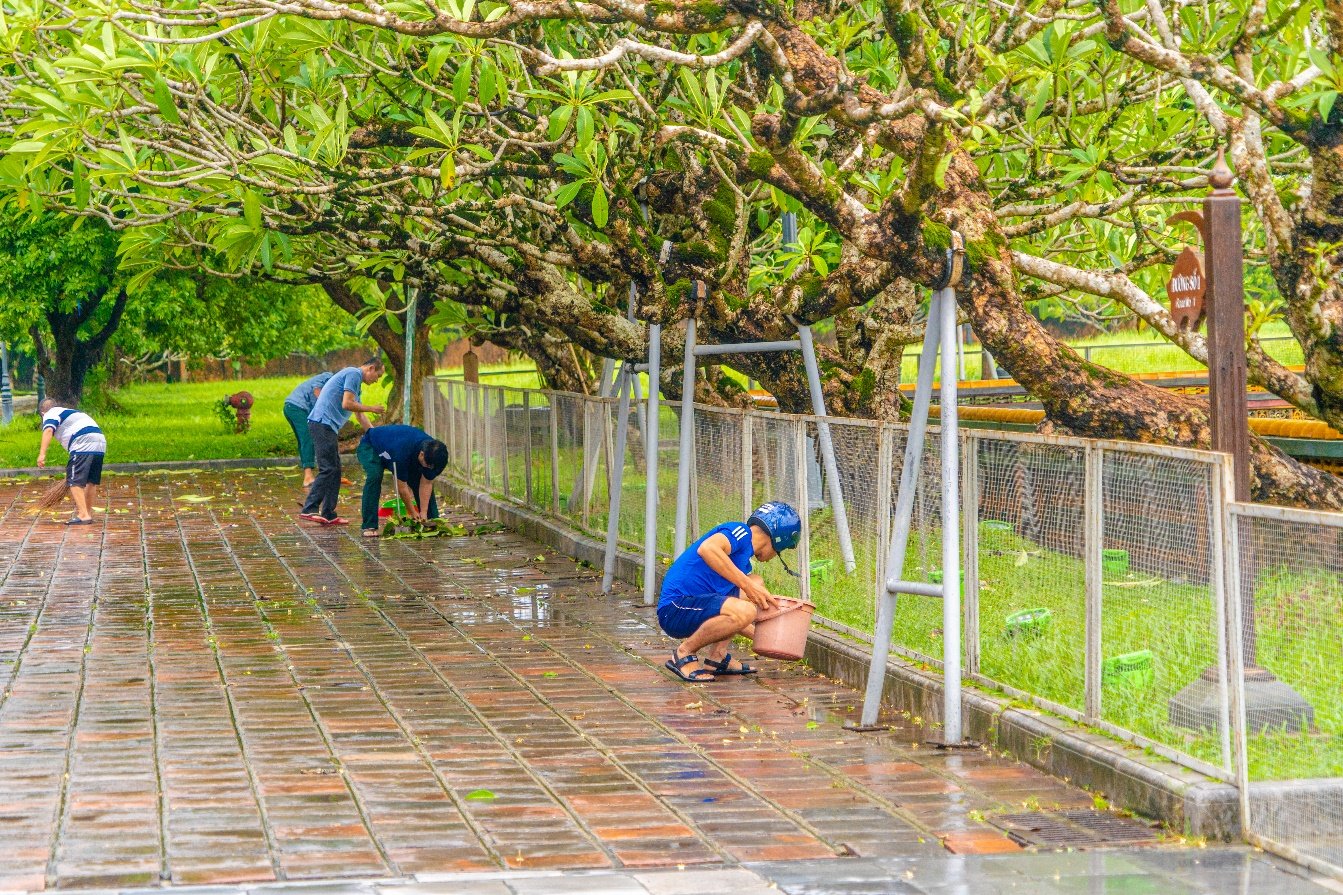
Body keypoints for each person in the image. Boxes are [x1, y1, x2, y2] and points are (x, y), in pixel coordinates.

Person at [657, 502, 801, 682]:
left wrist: (773, 640)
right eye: (783, 550)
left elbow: (738, 618)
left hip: (694, 604)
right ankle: (683, 653)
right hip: (675, 608)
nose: (777, 556)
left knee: (756, 583)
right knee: (747, 601)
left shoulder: (742, 558)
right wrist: (747, 585)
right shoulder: (739, 531)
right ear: (780, 539)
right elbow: (707, 549)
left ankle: (717, 657)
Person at [300, 357, 385, 525]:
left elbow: (359, 414)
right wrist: (372, 408)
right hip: (321, 423)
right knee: (328, 468)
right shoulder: (353, 374)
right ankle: (309, 508)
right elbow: (347, 404)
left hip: (328, 426)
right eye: (378, 376)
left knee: (336, 470)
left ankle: (328, 513)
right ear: (371, 368)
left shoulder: (355, 383)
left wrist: (375, 436)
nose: (376, 381)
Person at [357, 425, 449, 537]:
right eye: (428, 465)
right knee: (375, 475)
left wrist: (423, 512)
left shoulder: (435, 456)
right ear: (421, 454)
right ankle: (369, 525)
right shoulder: (401, 454)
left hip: (399, 449)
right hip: (372, 445)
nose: (429, 468)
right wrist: (412, 512)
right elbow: (402, 488)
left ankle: (431, 520)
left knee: (417, 479)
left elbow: (427, 483)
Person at [36, 398, 107, 525]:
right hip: (100, 442)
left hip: (82, 442)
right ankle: (87, 513)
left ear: (42, 413)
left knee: (74, 481)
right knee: (91, 481)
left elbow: (48, 430)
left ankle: (83, 515)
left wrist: (42, 454)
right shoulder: (71, 412)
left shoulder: (50, 414)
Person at [283, 370, 334, 489]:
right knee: (308, 439)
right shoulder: (328, 377)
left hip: (292, 407)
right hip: (296, 407)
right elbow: (316, 388)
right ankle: (308, 476)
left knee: (304, 441)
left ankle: (309, 474)